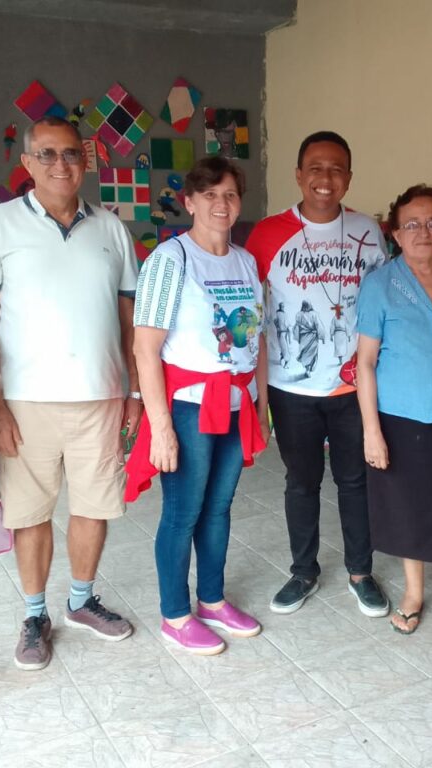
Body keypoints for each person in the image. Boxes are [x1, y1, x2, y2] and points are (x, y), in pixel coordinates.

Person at [0, 116, 141, 671]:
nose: (60, 165)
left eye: (70, 154)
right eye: (47, 154)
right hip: (24, 402)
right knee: (30, 512)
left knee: (95, 505)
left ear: (86, 159)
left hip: (102, 397)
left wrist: (133, 393)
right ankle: (35, 614)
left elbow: (129, 318)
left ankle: (82, 601)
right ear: (27, 162)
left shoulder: (112, 228)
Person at [126, 157, 269, 655]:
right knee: (183, 512)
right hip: (188, 406)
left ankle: (211, 598)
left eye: (229, 194)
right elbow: (145, 349)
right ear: (189, 203)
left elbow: (257, 343)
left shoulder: (247, 262)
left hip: (238, 401)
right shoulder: (171, 260)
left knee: (220, 508)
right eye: (209, 196)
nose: (220, 204)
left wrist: (262, 407)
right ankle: (174, 613)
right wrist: (160, 427)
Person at [246, 131, 390, 617]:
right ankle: (303, 571)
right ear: (298, 174)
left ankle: (360, 572)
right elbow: (254, 317)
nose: (325, 178)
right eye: (315, 167)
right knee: (300, 482)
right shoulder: (266, 234)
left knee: (355, 481)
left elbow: (383, 307)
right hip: (290, 387)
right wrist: (258, 391)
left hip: (354, 386)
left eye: (336, 169)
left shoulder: (370, 233)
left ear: (349, 176)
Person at [356, 185, 432, 636]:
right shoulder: (380, 284)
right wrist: (372, 431)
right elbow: (365, 362)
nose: (422, 232)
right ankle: (414, 593)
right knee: (408, 505)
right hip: (402, 415)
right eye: (411, 224)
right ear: (395, 233)